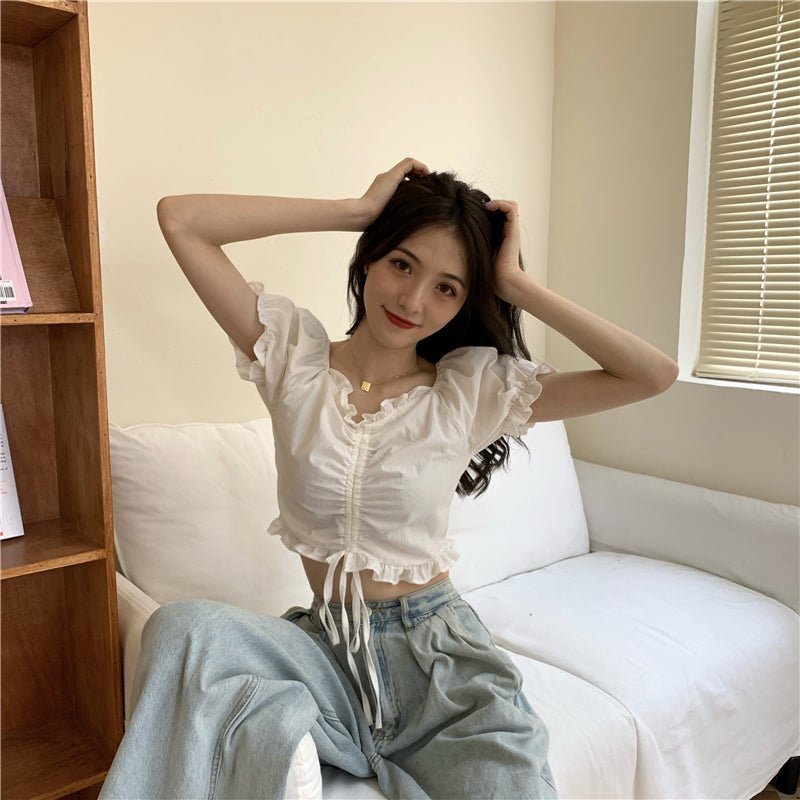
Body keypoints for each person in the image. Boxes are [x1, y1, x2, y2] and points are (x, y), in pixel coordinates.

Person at [100, 157, 679, 800]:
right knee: (182, 629)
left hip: (441, 672)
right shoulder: (293, 360)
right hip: (325, 655)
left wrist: (513, 282)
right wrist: (355, 211)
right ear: (369, 257)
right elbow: (181, 220)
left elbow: (650, 374)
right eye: (402, 264)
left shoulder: (468, 392)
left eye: (447, 288)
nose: (412, 300)